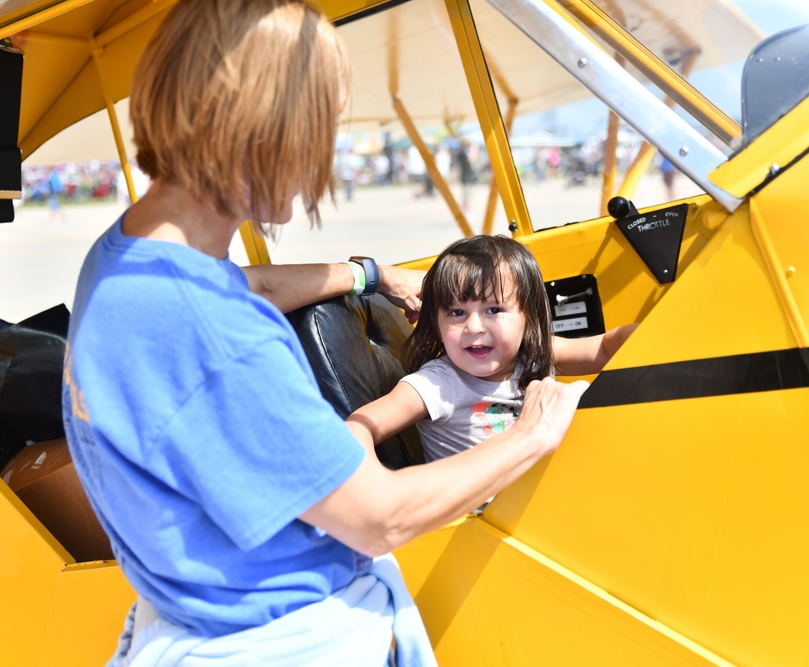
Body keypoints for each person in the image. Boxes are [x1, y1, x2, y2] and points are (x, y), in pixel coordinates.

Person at [62, 2, 587, 665]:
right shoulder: (214, 336)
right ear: (259, 129)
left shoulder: (124, 265)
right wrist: (532, 431)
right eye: (318, 129)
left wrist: (367, 274)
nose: (324, 155)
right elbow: (379, 517)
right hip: (290, 637)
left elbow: (234, 283)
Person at [347, 235, 637, 463]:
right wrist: (378, 489)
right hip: (485, 527)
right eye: (457, 313)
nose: (474, 327)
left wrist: (655, 331)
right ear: (436, 322)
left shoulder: (533, 352)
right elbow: (358, 428)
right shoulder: (437, 384)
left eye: (494, 309)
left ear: (528, 316)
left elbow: (603, 349)